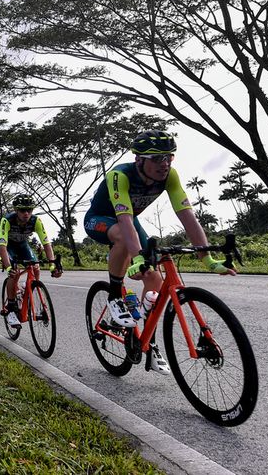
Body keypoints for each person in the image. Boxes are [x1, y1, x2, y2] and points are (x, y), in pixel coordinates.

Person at [83, 131, 233, 354]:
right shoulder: (119, 176)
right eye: (156, 158)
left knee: (154, 278)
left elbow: (187, 217)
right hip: (100, 220)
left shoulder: (170, 176)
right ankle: (115, 296)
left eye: (168, 157)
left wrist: (207, 259)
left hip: (130, 222)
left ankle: (145, 339)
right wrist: (137, 258)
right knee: (127, 242)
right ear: (139, 160)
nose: (164, 164)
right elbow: (123, 220)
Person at [0, 194, 61, 327]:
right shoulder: (7, 220)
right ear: (16, 210)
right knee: (14, 272)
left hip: (22, 245)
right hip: (8, 246)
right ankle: (11, 309)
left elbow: (46, 244)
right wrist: (8, 267)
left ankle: (28, 286)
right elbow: (2, 246)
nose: (26, 213)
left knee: (36, 266)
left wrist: (52, 265)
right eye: (22, 210)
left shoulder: (36, 221)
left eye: (30, 210)